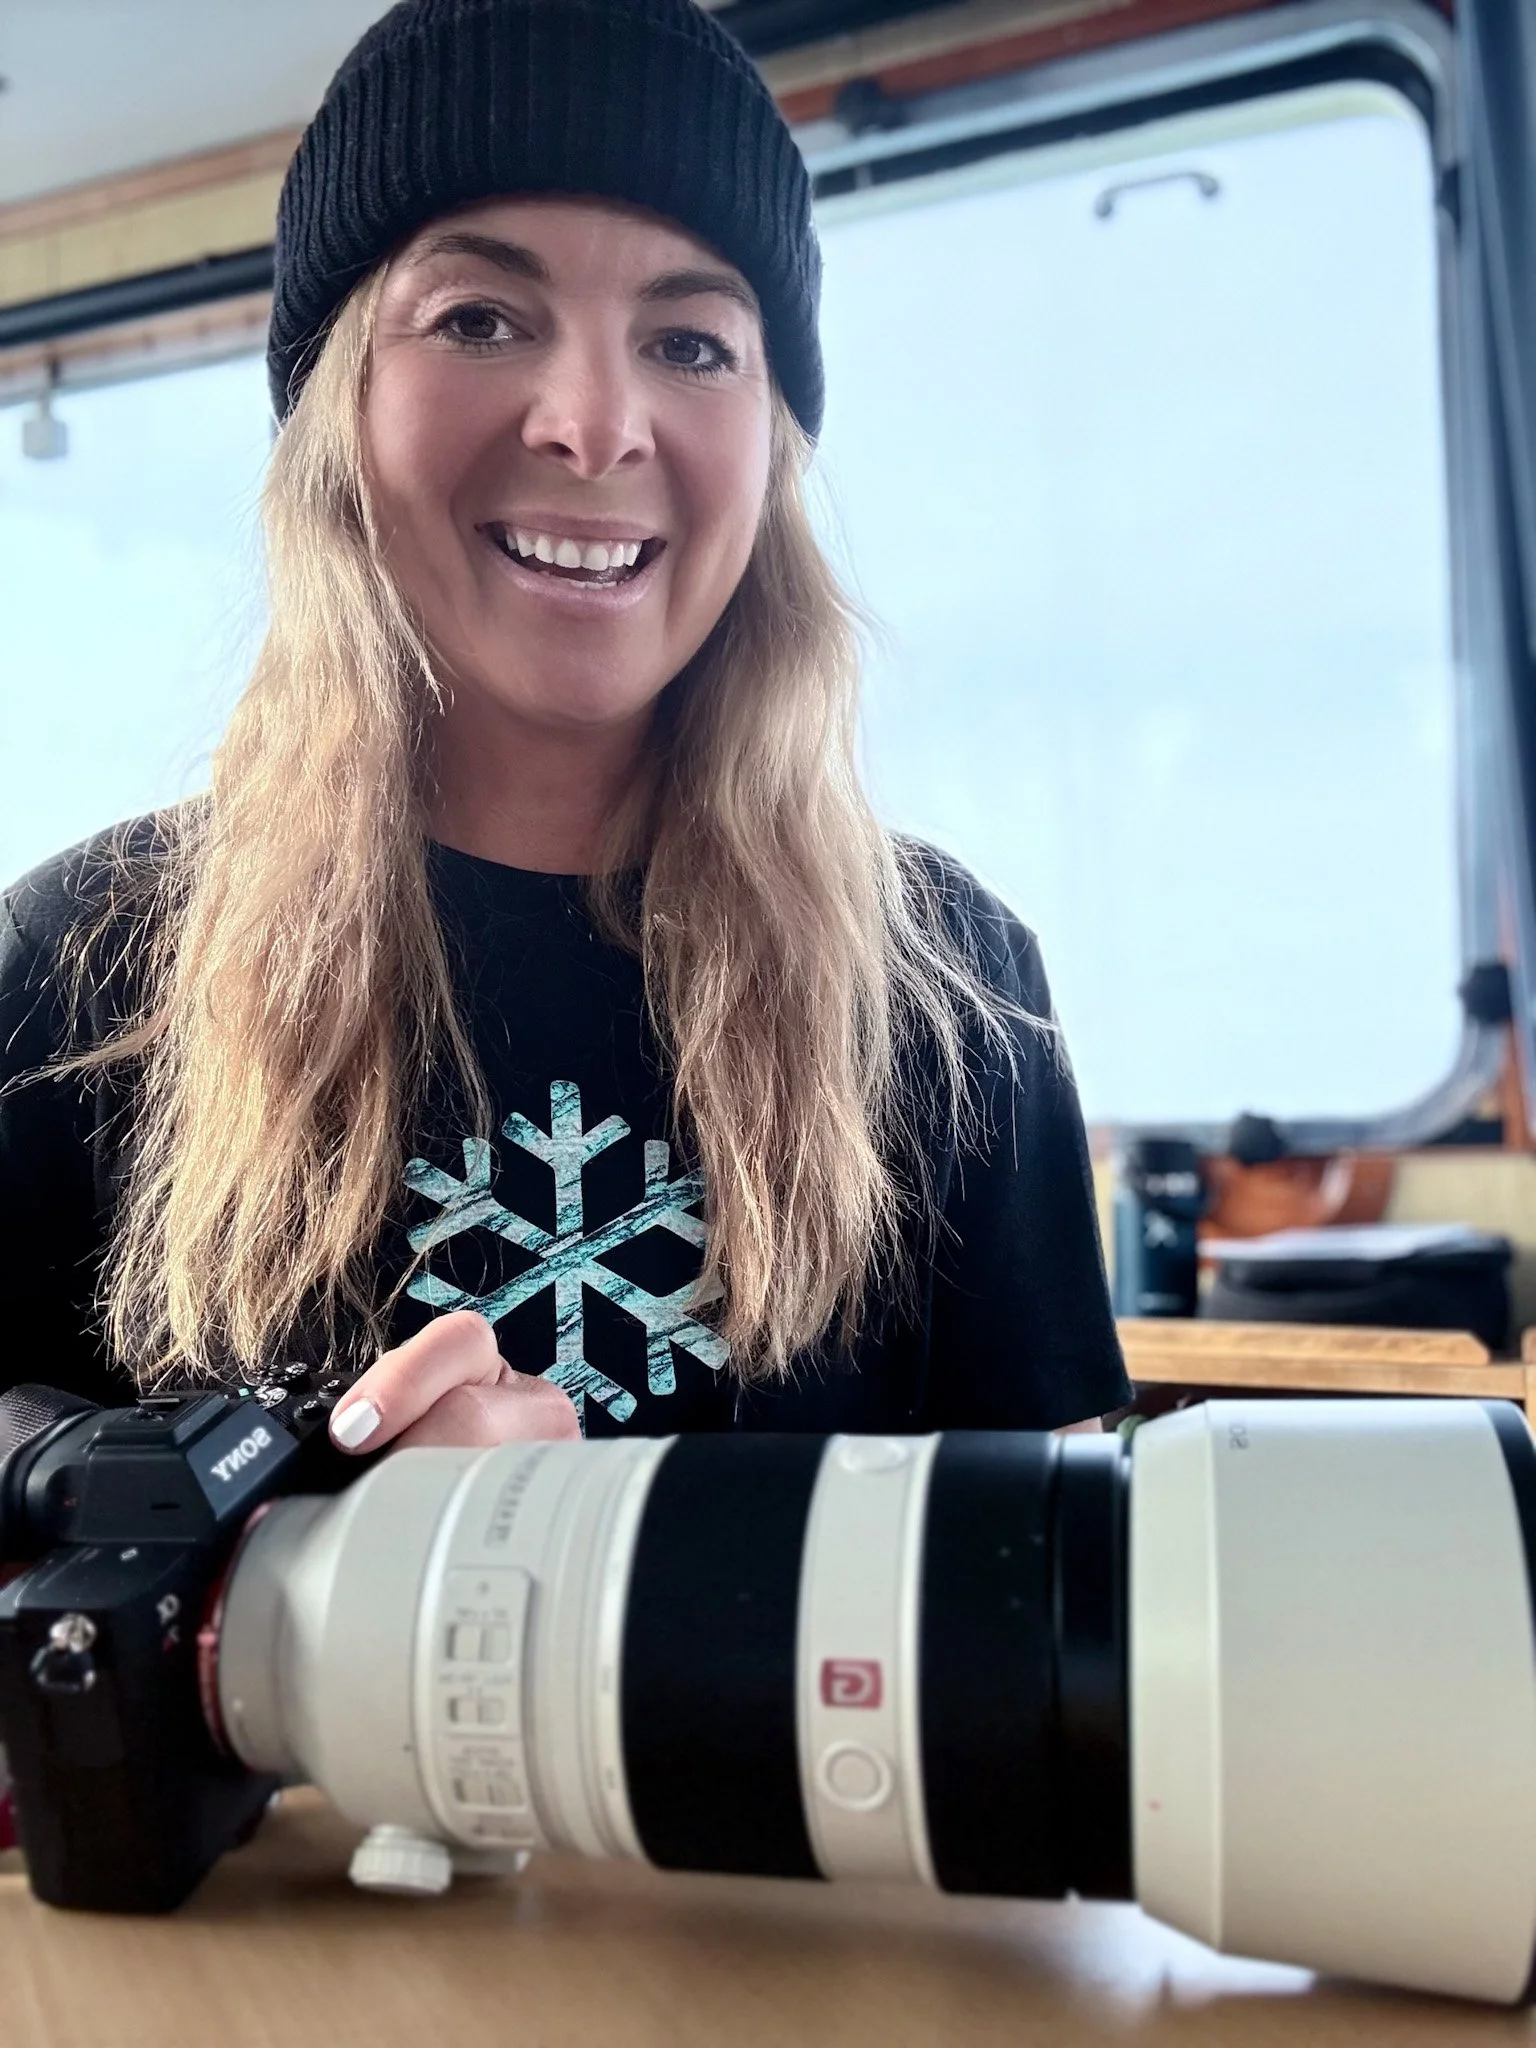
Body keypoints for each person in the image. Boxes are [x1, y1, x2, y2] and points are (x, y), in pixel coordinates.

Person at [0, 0, 1130, 1470]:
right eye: (480, 318)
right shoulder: (80, 972)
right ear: (334, 414)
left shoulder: (960, 997)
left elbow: (1055, 1597)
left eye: (691, 341)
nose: (596, 425)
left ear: (773, 441)